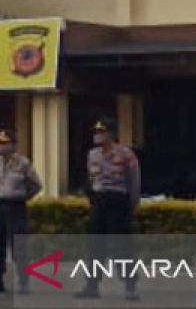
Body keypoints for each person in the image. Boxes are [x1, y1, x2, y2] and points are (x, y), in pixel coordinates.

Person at [75, 118, 141, 302]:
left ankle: (130, 286)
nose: (97, 136)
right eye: (96, 132)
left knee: (123, 246)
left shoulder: (126, 154)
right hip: (99, 201)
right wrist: (92, 199)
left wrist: (132, 203)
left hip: (118, 201)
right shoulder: (92, 155)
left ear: (111, 134)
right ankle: (92, 285)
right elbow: (90, 179)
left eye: (101, 132)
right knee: (95, 245)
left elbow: (134, 180)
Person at [0, 128, 42, 294]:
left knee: (19, 244)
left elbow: (36, 185)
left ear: (13, 145)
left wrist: (22, 197)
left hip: (16, 206)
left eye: (4, 143)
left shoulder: (23, 163)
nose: (0, 147)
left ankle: (23, 282)